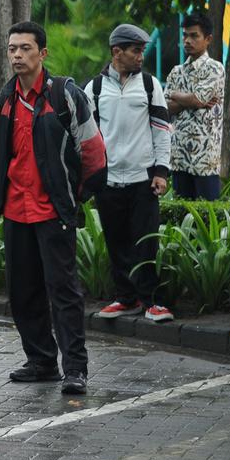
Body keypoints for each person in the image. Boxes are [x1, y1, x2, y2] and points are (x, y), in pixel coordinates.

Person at [0, 20, 106, 394]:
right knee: (22, 291)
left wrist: (74, 198)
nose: (17, 55)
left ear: (42, 53)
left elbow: (93, 152)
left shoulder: (66, 96)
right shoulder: (4, 101)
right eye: (12, 49)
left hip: (53, 210)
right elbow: (2, 156)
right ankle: (41, 360)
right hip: (15, 209)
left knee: (64, 291)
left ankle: (75, 368)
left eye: (25, 48)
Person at [90, 24, 174, 323]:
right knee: (116, 242)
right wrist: (91, 177)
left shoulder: (150, 85)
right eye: (136, 51)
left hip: (143, 179)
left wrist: (161, 171)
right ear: (117, 52)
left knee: (146, 242)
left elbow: (162, 131)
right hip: (109, 180)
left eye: (141, 51)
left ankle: (151, 301)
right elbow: (87, 138)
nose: (141, 57)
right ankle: (126, 299)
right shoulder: (94, 89)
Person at [164, 12, 225, 200]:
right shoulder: (176, 72)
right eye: (185, 35)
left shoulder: (215, 68)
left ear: (208, 39)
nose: (187, 40)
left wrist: (175, 94)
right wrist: (191, 100)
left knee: (206, 215)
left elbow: (197, 99)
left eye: (194, 36)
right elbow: (165, 108)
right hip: (179, 156)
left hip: (205, 159)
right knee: (180, 213)